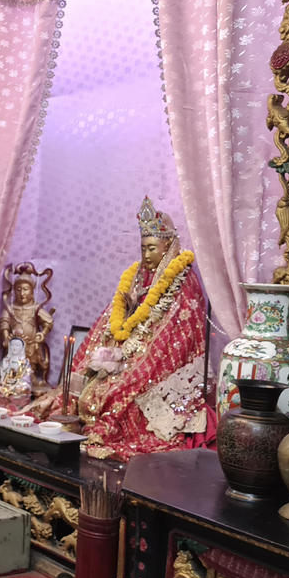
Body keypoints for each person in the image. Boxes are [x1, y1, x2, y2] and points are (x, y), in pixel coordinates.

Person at [30, 197, 210, 460]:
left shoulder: (183, 280)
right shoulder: (136, 276)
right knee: (83, 380)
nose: (146, 255)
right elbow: (113, 321)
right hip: (123, 347)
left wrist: (134, 355)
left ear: (168, 246)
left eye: (152, 248)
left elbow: (177, 333)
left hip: (152, 355)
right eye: (143, 248)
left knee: (118, 392)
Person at [0, 265, 54, 395]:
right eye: (18, 290)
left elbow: (48, 322)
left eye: (26, 289)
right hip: (14, 347)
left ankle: (29, 382)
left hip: (31, 346)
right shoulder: (10, 308)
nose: (22, 293)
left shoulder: (36, 308)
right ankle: (10, 384)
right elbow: (4, 323)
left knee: (29, 369)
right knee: (11, 367)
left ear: (32, 291)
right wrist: (5, 337)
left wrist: (42, 333)